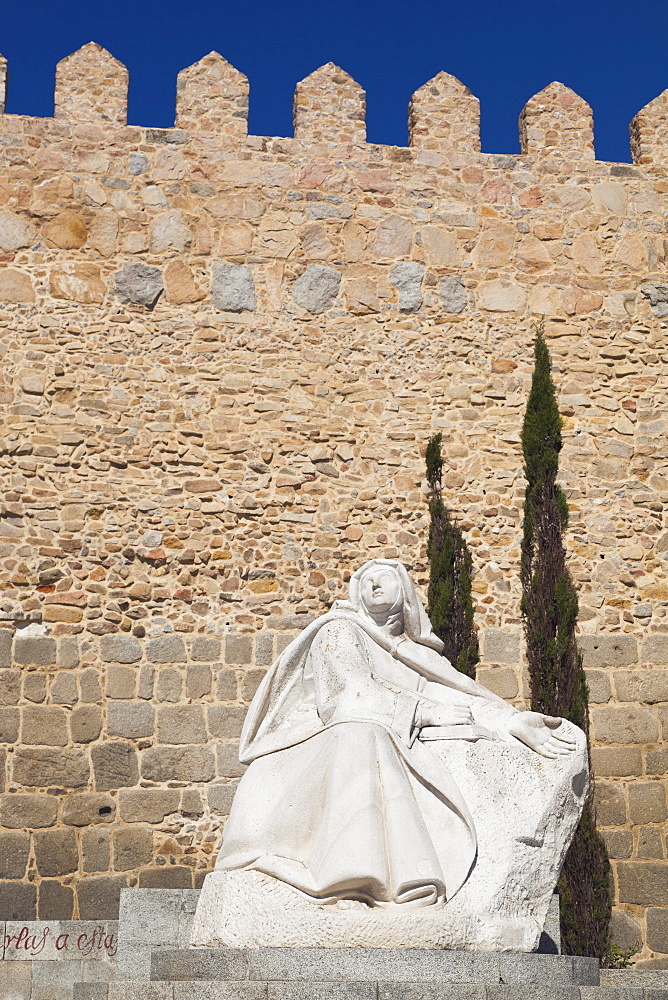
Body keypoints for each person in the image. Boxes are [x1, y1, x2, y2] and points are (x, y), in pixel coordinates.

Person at [213, 558, 578, 909]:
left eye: (385, 578)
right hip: (318, 740)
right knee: (362, 733)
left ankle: (395, 882)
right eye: (365, 579)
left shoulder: (417, 655)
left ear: (404, 593)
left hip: (392, 736)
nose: (373, 583)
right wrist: (425, 712)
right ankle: (346, 877)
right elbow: (349, 694)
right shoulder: (339, 630)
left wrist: (510, 721)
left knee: (379, 738)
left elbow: (449, 694)